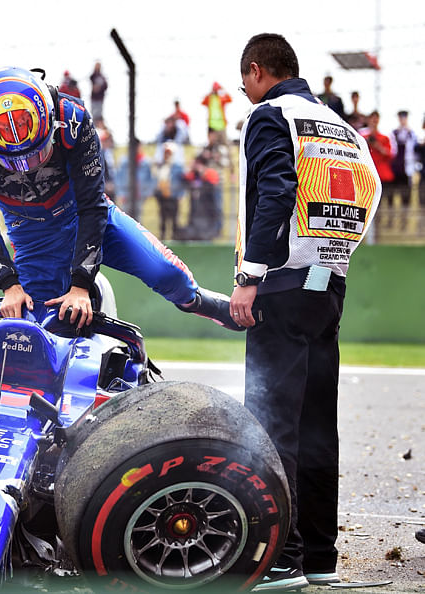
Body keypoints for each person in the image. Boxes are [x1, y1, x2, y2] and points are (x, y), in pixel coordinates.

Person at [231, 33, 381, 591]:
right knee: (319, 427)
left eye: (243, 79)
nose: (243, 90)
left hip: (282, 286)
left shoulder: (271, 115)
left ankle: (281, 557)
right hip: (328, 286)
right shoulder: (344, 129)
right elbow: (371, 192)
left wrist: (252, 275)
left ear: (257, 70)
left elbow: (275, 191)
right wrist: (333, 256)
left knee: (272, 426)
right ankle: (320, 556)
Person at [0, 66, 242, 333]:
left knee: (168, 275)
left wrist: (80, 285)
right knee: (39, 333)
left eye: (36, 153)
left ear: (49, 121)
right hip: (32, 238)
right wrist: (9, 285)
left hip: (86, 215)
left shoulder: (72, 117)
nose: (28, 165)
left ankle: (202, 301)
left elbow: (92, 205)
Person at [363, 111, 396, 230]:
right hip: (369, 175)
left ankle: (387, 227)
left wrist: (376, 144)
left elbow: (390, 154)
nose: (374, 121)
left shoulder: (385, 137)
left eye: (376, 119)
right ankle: (372, 229)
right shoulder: (362, 136)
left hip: (383, 175)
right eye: (372, 119)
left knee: (387, 202)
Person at [387, 110, 416, 231]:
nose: (402, 119)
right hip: (395, 169)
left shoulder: (411, 133)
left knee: (406, 197)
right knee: (391, 197)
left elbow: (413, 149)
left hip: (406, 170)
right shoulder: (394, 133)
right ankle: (391, 221)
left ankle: (404, 222)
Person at [114, 139, 154, 221]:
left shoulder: (146, 162)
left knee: (138, 218)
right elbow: (118, 178)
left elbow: (150, 178)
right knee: (125, 218)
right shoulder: (124, 161)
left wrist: (147, 192)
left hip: (139, 195)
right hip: (126, 194)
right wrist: (121, 193)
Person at [152, 142, 185, 240]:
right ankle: (163, 236)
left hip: (173, 196)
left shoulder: (177, 167)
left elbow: (181, 182)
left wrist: (180, 194)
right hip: (163, 196)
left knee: (174, 218)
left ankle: (175, 236)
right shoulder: (161, 166)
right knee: (163, 218)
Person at [202, 82, 232, 146]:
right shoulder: (209, 98)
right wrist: (210, 93)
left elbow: (230, 99)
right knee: (212, 144)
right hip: (212, 126)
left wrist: (223, 90)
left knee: (224, 143)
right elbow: (203, 102)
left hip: (221, 125)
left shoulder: (221, 98)